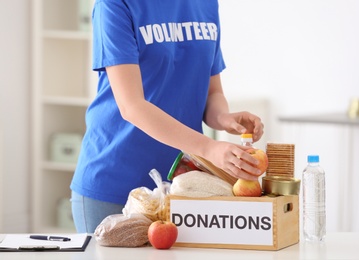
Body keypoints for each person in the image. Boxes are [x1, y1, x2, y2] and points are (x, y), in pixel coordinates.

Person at [70, 0, 264, 233]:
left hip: (182, 188)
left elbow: (212, 92)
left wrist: (223, 118)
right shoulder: (115, 4)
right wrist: (210, 149)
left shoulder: (206, 4)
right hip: (114, 181)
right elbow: (132, 106)